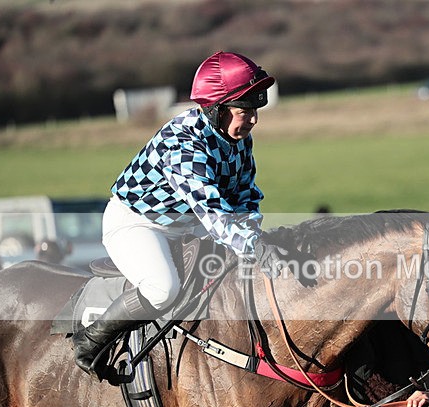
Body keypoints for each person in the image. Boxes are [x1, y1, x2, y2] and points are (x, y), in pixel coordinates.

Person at [72, 51, 285, 376]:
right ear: (216, 109)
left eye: (255, 110)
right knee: (163, 288)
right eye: (245, 110)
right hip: (137, 222)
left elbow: (245, 198)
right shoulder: (182, 144)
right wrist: (251, 246)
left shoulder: (239, 139)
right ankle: (91, 341)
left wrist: (254, 237)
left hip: (188, 225)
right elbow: (212, 211)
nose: (253, 119)